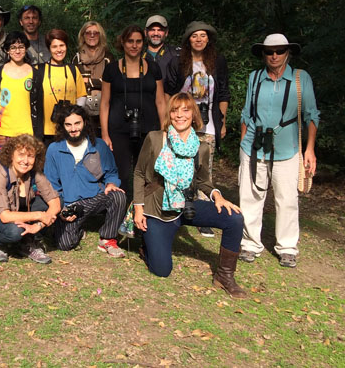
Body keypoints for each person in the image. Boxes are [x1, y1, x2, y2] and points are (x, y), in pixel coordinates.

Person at [133, 93, 247, 298]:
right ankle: (147, 245)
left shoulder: (201, 148)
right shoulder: (155, 138)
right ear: (169, 114)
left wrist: (217, 196)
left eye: (185, 110)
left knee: (234, 218)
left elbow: (203, 182)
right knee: (162, 270)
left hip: (185, 206)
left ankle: (224, 276)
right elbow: (139, 173)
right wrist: (139, 209)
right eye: (175, 110)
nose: (179, 115)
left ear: (194, 114)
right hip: (158, 210)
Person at [238, 34, 319, 269]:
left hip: (287, 148)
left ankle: (287, 247)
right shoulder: (255, 78)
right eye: (269, 51)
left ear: (288, 53)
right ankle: (250, 243)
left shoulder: (300, 78)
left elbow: (311, 115)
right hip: (253, 147)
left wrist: (310, 149)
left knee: (287, 199)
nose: (274, 56)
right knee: (250, 196)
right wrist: (243, 146)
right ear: (263, 54)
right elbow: (246, 113)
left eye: (280, 51)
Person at [170, 21, 230, 238]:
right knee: (180, 165)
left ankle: (205, 214)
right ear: (188, 40)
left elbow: (223, 92)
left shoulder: (217, 62)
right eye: (194, 36)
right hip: (182, 122)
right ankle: (178, 208)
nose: (198, 40)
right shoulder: (180, 63)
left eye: (203, 36)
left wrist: (222, 121)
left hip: (209, 123)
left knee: (205, 167)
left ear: (208, 39)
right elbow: (171, 91)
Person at [44, 105, 127, 257]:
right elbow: (51, 185)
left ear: (85, 123)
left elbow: (112, 172)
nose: (73, 129)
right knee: (65, 245)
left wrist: (111, 183)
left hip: (94, 198)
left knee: (118, 196)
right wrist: (61, 209)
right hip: (69, 205)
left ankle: (107, 239)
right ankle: (77, 229)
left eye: (77, 123)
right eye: (68, 125)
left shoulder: (99, 146)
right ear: (62, 126)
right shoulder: (54, 149)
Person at [100, 25, 167, 200]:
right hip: (119, 130)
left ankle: (144, 211)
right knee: (120, 174)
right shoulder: (112, 69)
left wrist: (164, 130)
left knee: (147, 173)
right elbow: (105, 103)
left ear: (143, 43)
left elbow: (160, 101)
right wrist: (105, 134)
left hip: (148, 129)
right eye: (130, 41)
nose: (134, 45)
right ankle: (119, 209)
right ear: (123, 42)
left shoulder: (153, 68)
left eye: (138, 41)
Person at [0, 134, 61, 264]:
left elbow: (55, 203)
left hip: (20, 212)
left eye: (30, 156)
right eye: (21, 155)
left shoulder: (34, 171)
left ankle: (28, 242)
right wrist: (40, 215)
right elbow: (5, 216)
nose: (25, 161)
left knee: (57, 203)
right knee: (15, 231)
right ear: (11, 155)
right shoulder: (0, 173)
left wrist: (38, 225)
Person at [0, 32, 37, 149]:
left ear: (26, 49)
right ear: (7, 50)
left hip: (26, 132)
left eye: (21, 47)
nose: (17, 51)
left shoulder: (35, 73)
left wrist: (38, 133)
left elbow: (39, 105)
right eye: (13, 47)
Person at [32, 29, 87, 143]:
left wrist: (74, 115)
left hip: (70, 131)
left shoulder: (73, 70)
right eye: (54, 46)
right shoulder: (39, 70)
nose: (59, 50)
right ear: (49, 49)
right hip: (45, 132)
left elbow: (81, 95)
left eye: (62, 45)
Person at [72, 21, 113, 128]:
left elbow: (111, 82)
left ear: (101, 35)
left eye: (96, 33)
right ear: (83, 36)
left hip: (104, 109)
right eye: (88, 33)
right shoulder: (77, 58)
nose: (92, 35)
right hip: (82, 110)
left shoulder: (108, 57)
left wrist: (88, 81)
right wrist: (99, 81)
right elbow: (75, 83)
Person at [144, 15, 180, 88]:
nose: (156, 33)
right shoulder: (137, 56)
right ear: (145, 32)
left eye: (160, 30)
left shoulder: (176, 54)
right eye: (152, 30)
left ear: (166, 33)